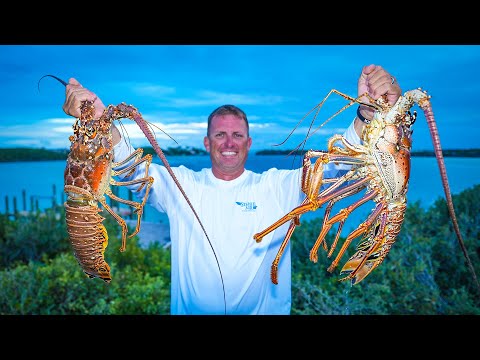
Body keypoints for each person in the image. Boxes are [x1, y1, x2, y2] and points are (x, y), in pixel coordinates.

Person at [62, 64, 402, 315]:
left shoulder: (277, 186)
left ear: (249, 143)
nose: (229, 142)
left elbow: (336, 168)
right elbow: (131, 170)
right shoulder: (183, 184)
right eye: (220, 135)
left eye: (237, 135)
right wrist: (101, 119)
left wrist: (367, 115)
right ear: (207, 142)